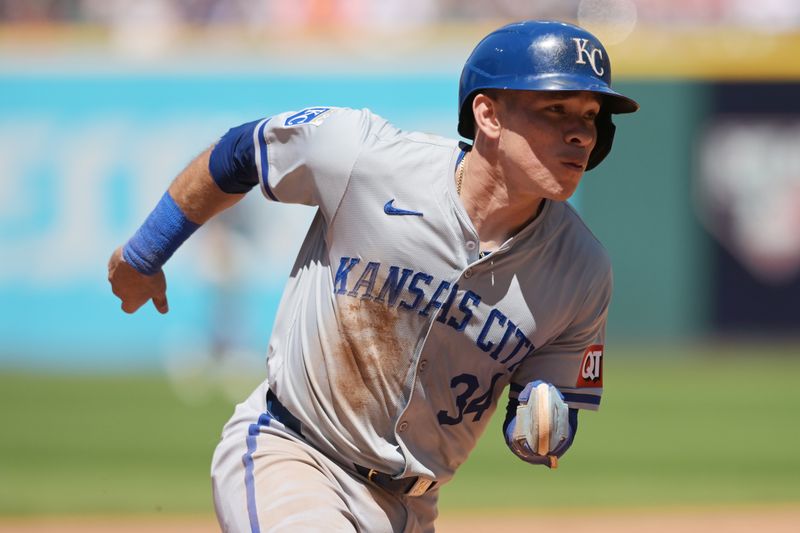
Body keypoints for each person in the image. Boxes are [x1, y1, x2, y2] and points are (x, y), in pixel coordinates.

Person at [107, 20, 638, 533]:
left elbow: (543, 411)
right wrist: (145, 253)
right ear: (489, 115)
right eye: (556, 108)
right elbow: (241, 152)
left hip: (412, 507)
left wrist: (541, 425)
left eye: (591, 116)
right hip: (293, 456)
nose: (580, 133)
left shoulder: (582, 270)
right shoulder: (367, 159)